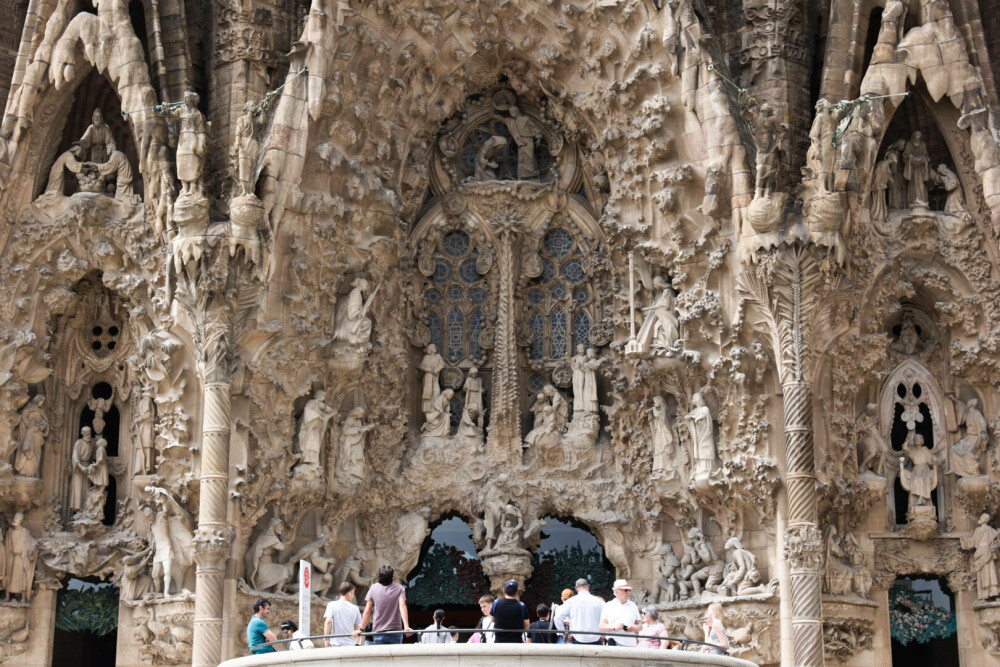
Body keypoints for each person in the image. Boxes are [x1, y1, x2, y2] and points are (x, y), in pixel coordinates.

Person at [361, 565, 412, 645]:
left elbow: (367, 611)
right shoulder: (399, 588)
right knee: (395, 656)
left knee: (382, 657)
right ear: (392, 577)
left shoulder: (373, 588)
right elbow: (402, 607)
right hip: (396, 631)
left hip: (379, 631)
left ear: (379, 576)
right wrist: (406, 626)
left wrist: (361, 629)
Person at [554, 577, 605, 645]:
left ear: (576, 589)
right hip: (596, 638)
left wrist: (565, 634)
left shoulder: (570, 602)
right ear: (588, 587)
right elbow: (608, 617)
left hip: (577, 639)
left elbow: (557, 618)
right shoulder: (599, 602)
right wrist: (603, 634)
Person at [599, 579, 642, 646]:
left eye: (629, 590)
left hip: (630, 644)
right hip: (613, 643)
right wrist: (614, 627)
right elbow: (601, 626)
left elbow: (640, 626)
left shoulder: (633, 606)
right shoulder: (608, 605)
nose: (628, 592)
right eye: (625, 590)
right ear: (616, 592)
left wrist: (633, 628)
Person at [323, 582, 363, 647]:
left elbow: (328, 621)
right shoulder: (355, 608)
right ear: (349, 593)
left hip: (336, 643)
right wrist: (357, 643)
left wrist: (326, 639)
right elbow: (357, 629)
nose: (353, 596)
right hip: (350, 644)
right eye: (353, 593)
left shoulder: (331, 605)